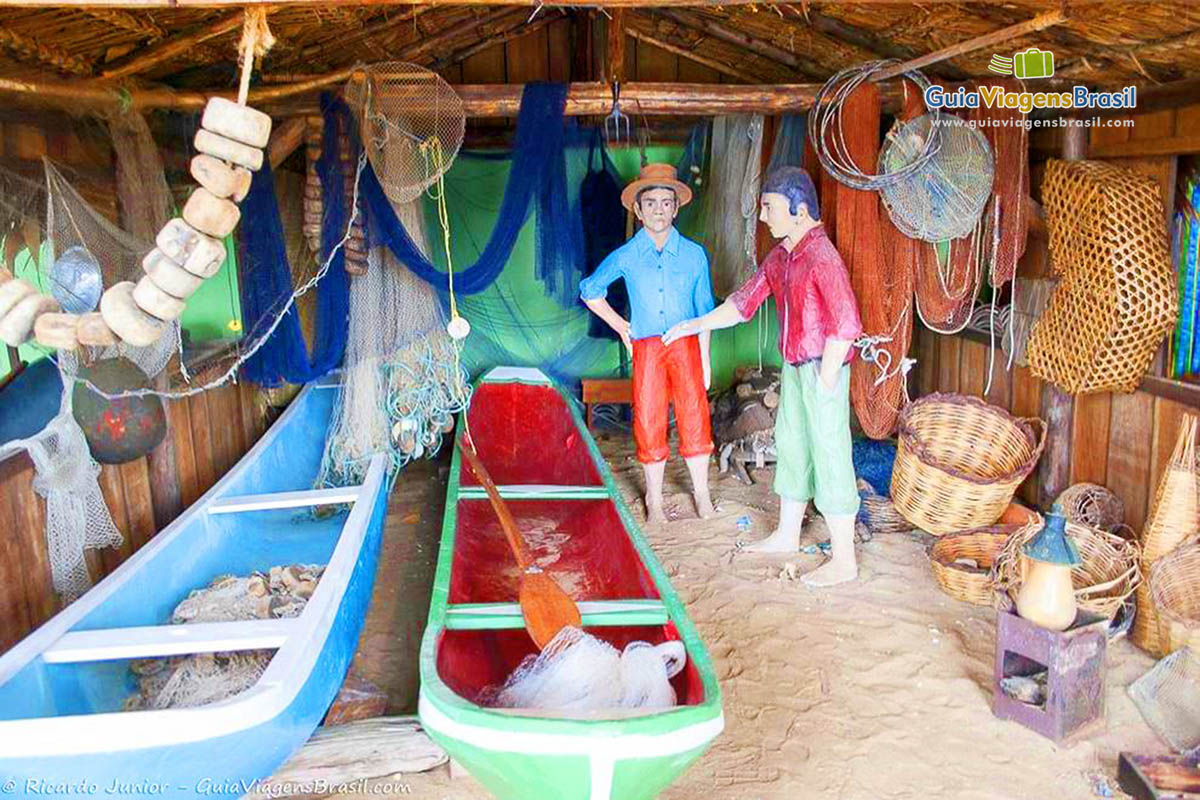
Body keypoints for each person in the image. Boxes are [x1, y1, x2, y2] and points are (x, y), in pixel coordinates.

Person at [663, 166, 863, 587]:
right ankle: (788, 534)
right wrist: (696, 325)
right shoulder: (781, 257)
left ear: (799, 209)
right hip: (795, 368)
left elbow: (847, 323)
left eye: (770, 207)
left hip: (822, 368)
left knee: (829, 453)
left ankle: (844, 559)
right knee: (792, 447)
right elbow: (744, 303)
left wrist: (826, 378)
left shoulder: (822, 255)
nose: (764, 216)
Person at [580, 163, 716, 524]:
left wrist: (705, 358)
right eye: (651, 202)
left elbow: (705, 311)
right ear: (637, 211)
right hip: (647, 348)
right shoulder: (627, 255)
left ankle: (701, 494)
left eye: (666, 202)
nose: (659, 209)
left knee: (694, 414)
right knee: (648, 416)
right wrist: (622, 326)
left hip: (686, 342)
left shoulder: (694, 254)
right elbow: (590, 291)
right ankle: (654, 499)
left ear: (677, 207)